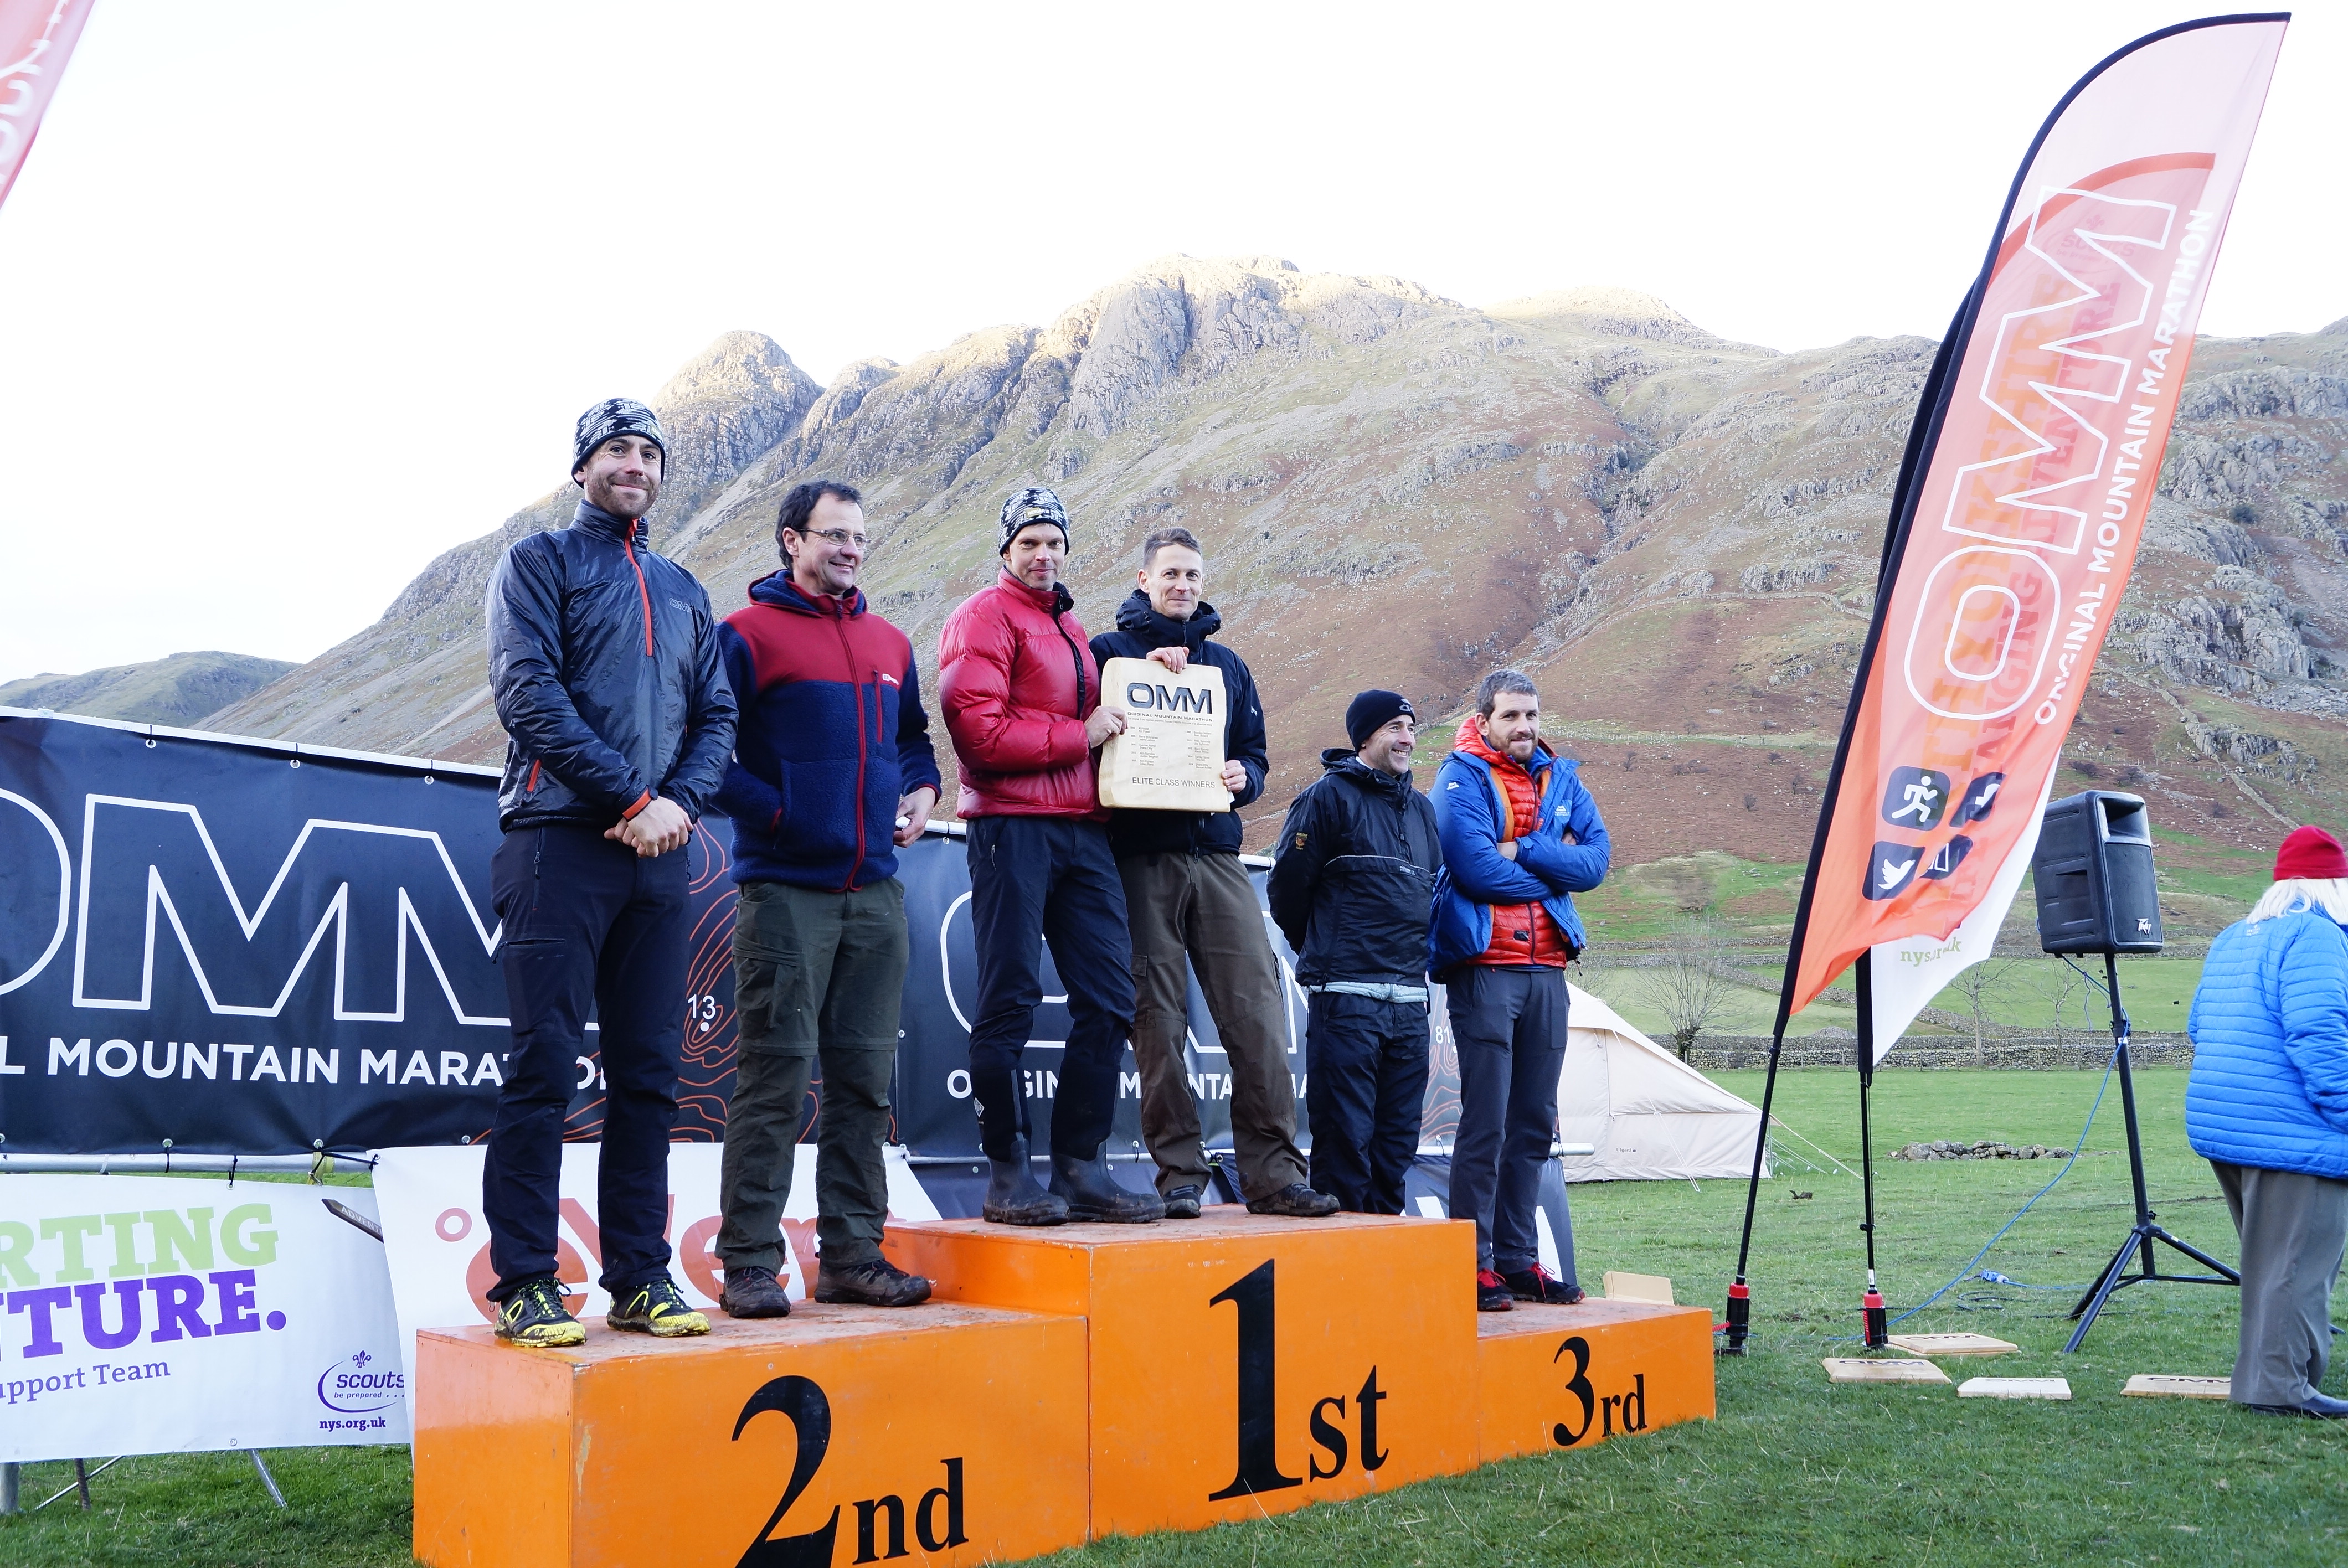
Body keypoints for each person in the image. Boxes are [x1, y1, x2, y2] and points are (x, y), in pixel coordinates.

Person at [481, 398, 737, 1346]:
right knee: (543, 1065)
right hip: (558, 839)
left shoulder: (682, 585)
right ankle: (524, 1283)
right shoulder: (539, 561)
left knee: (649, 1075)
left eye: (648, 453)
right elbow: (527, 691)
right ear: (583, 467)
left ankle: (639, 1274)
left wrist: (675, 806)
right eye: (617, 451)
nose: (635, 466)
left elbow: (718, 716)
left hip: (659, 853)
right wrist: (631, 797)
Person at [709, 479, 943, 1318]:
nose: (849, 549)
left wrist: (922, 789)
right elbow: (710, 752)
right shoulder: (744, 636)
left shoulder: (890, 642)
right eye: (833, 535)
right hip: (783, 893)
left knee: (864, 1086)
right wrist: (781, 815)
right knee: (773, 1079)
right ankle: (747, 1266)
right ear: (790, 541)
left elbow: (912, 740)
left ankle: (851, 1256)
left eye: (859, 538)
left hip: (875, 894)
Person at [1089, 528, 1336, 1220]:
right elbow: (1088, 739)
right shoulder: (1107, 655)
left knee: (1257, 1014)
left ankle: (1274, 1176)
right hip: (1140, 858)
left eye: (1193, 575)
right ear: (1144, 579)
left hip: (1218, 858)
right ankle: (1180, 1177)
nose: (1183, 585)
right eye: (1170, 573)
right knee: (1157, 1024)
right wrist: (1137, 682)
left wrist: (1244, 775)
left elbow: (1253, 756)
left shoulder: (1227, 665)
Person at [935, 487, 1161, 1224]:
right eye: (1030, 542)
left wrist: (1156, 675)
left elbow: (1106, 711)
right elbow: (980, 737)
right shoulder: (981, 617)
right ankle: (1008, 1178)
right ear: (1006, 550)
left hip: (1083, 829)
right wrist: (1079, 738)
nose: (1044, 554)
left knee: (1109, 1001)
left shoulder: (1070, 623)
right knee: (1008, 1002)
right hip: (1011, 826)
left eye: (1055, 542)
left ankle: (1081, 1168)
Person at [1429, 669, 1609, 1313]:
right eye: (1511, 717)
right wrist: (1552, 868)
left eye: (1531, 715)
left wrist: (1524, 850)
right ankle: (1472, 1265)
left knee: (1533, 1123)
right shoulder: (1459, 777)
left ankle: (1516, 1260)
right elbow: (1473, 869)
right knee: (1486, 1125)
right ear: (1483, 721)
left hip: (1547, 972)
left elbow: (1595, 862)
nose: (1525, 728)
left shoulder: (1563, 778)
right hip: (1485, 969)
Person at [2184, 824, 2348, 1419]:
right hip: (2291, 1134)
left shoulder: (2235, 936)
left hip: (2228, 1127)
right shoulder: (2318, 936)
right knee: (2298, 1268)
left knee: (2270, 1266)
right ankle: (2280, 1390)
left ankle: (2268, 1378)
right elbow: (2319, 1033)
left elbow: (2198, 1027)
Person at [1266, 690, 1442, 1215]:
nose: (1407, 739)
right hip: (1346, 1000)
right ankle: (1338, 1280)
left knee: (1396, 1147)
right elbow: (1287, 892)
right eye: (1393, 727)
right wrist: (1325, 951)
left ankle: (1385, 1275)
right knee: (1345, 1143)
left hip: (1411, 1004)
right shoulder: (1327, 798)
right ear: (1364, 737)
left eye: (1411, 727)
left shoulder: (1424, 810)